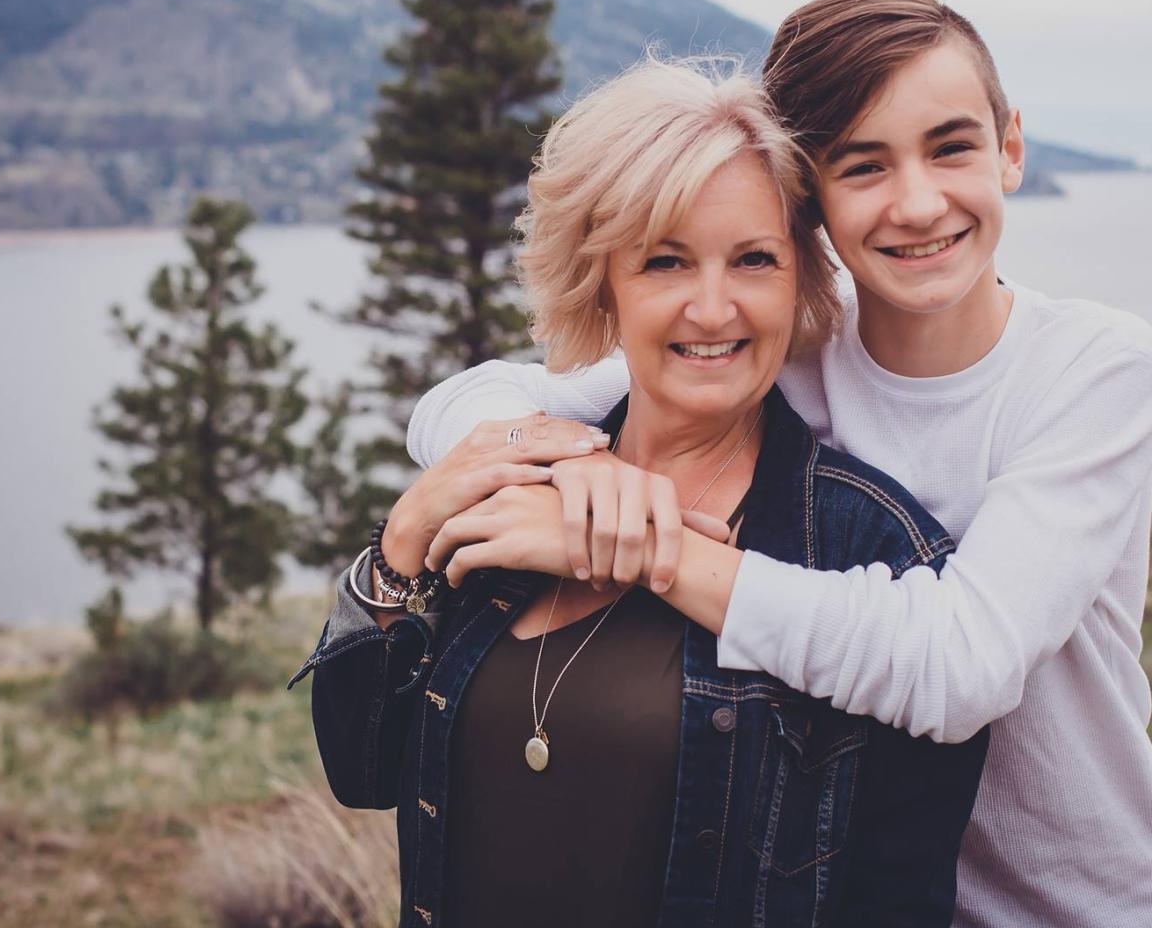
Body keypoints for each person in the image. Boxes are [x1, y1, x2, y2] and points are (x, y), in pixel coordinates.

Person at [408, 0, 1152, 928]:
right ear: (813, 205)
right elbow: (471, 401)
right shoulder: (790, 352)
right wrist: (574, 470)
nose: (918, 203)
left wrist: (663, 553)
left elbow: (961, 667)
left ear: (1010, 147)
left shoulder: (1090, 369)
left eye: (951, 147)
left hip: (1078, 910)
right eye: (864, 165)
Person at [292, 59, 987, 928]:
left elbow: (900, 903)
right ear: (603, 283)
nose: (712, 306)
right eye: (665, 261)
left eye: (754, 260)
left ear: (800, 282)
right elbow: (363, 767)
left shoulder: (870, 552)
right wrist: (401, 546)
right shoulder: (516, 481)